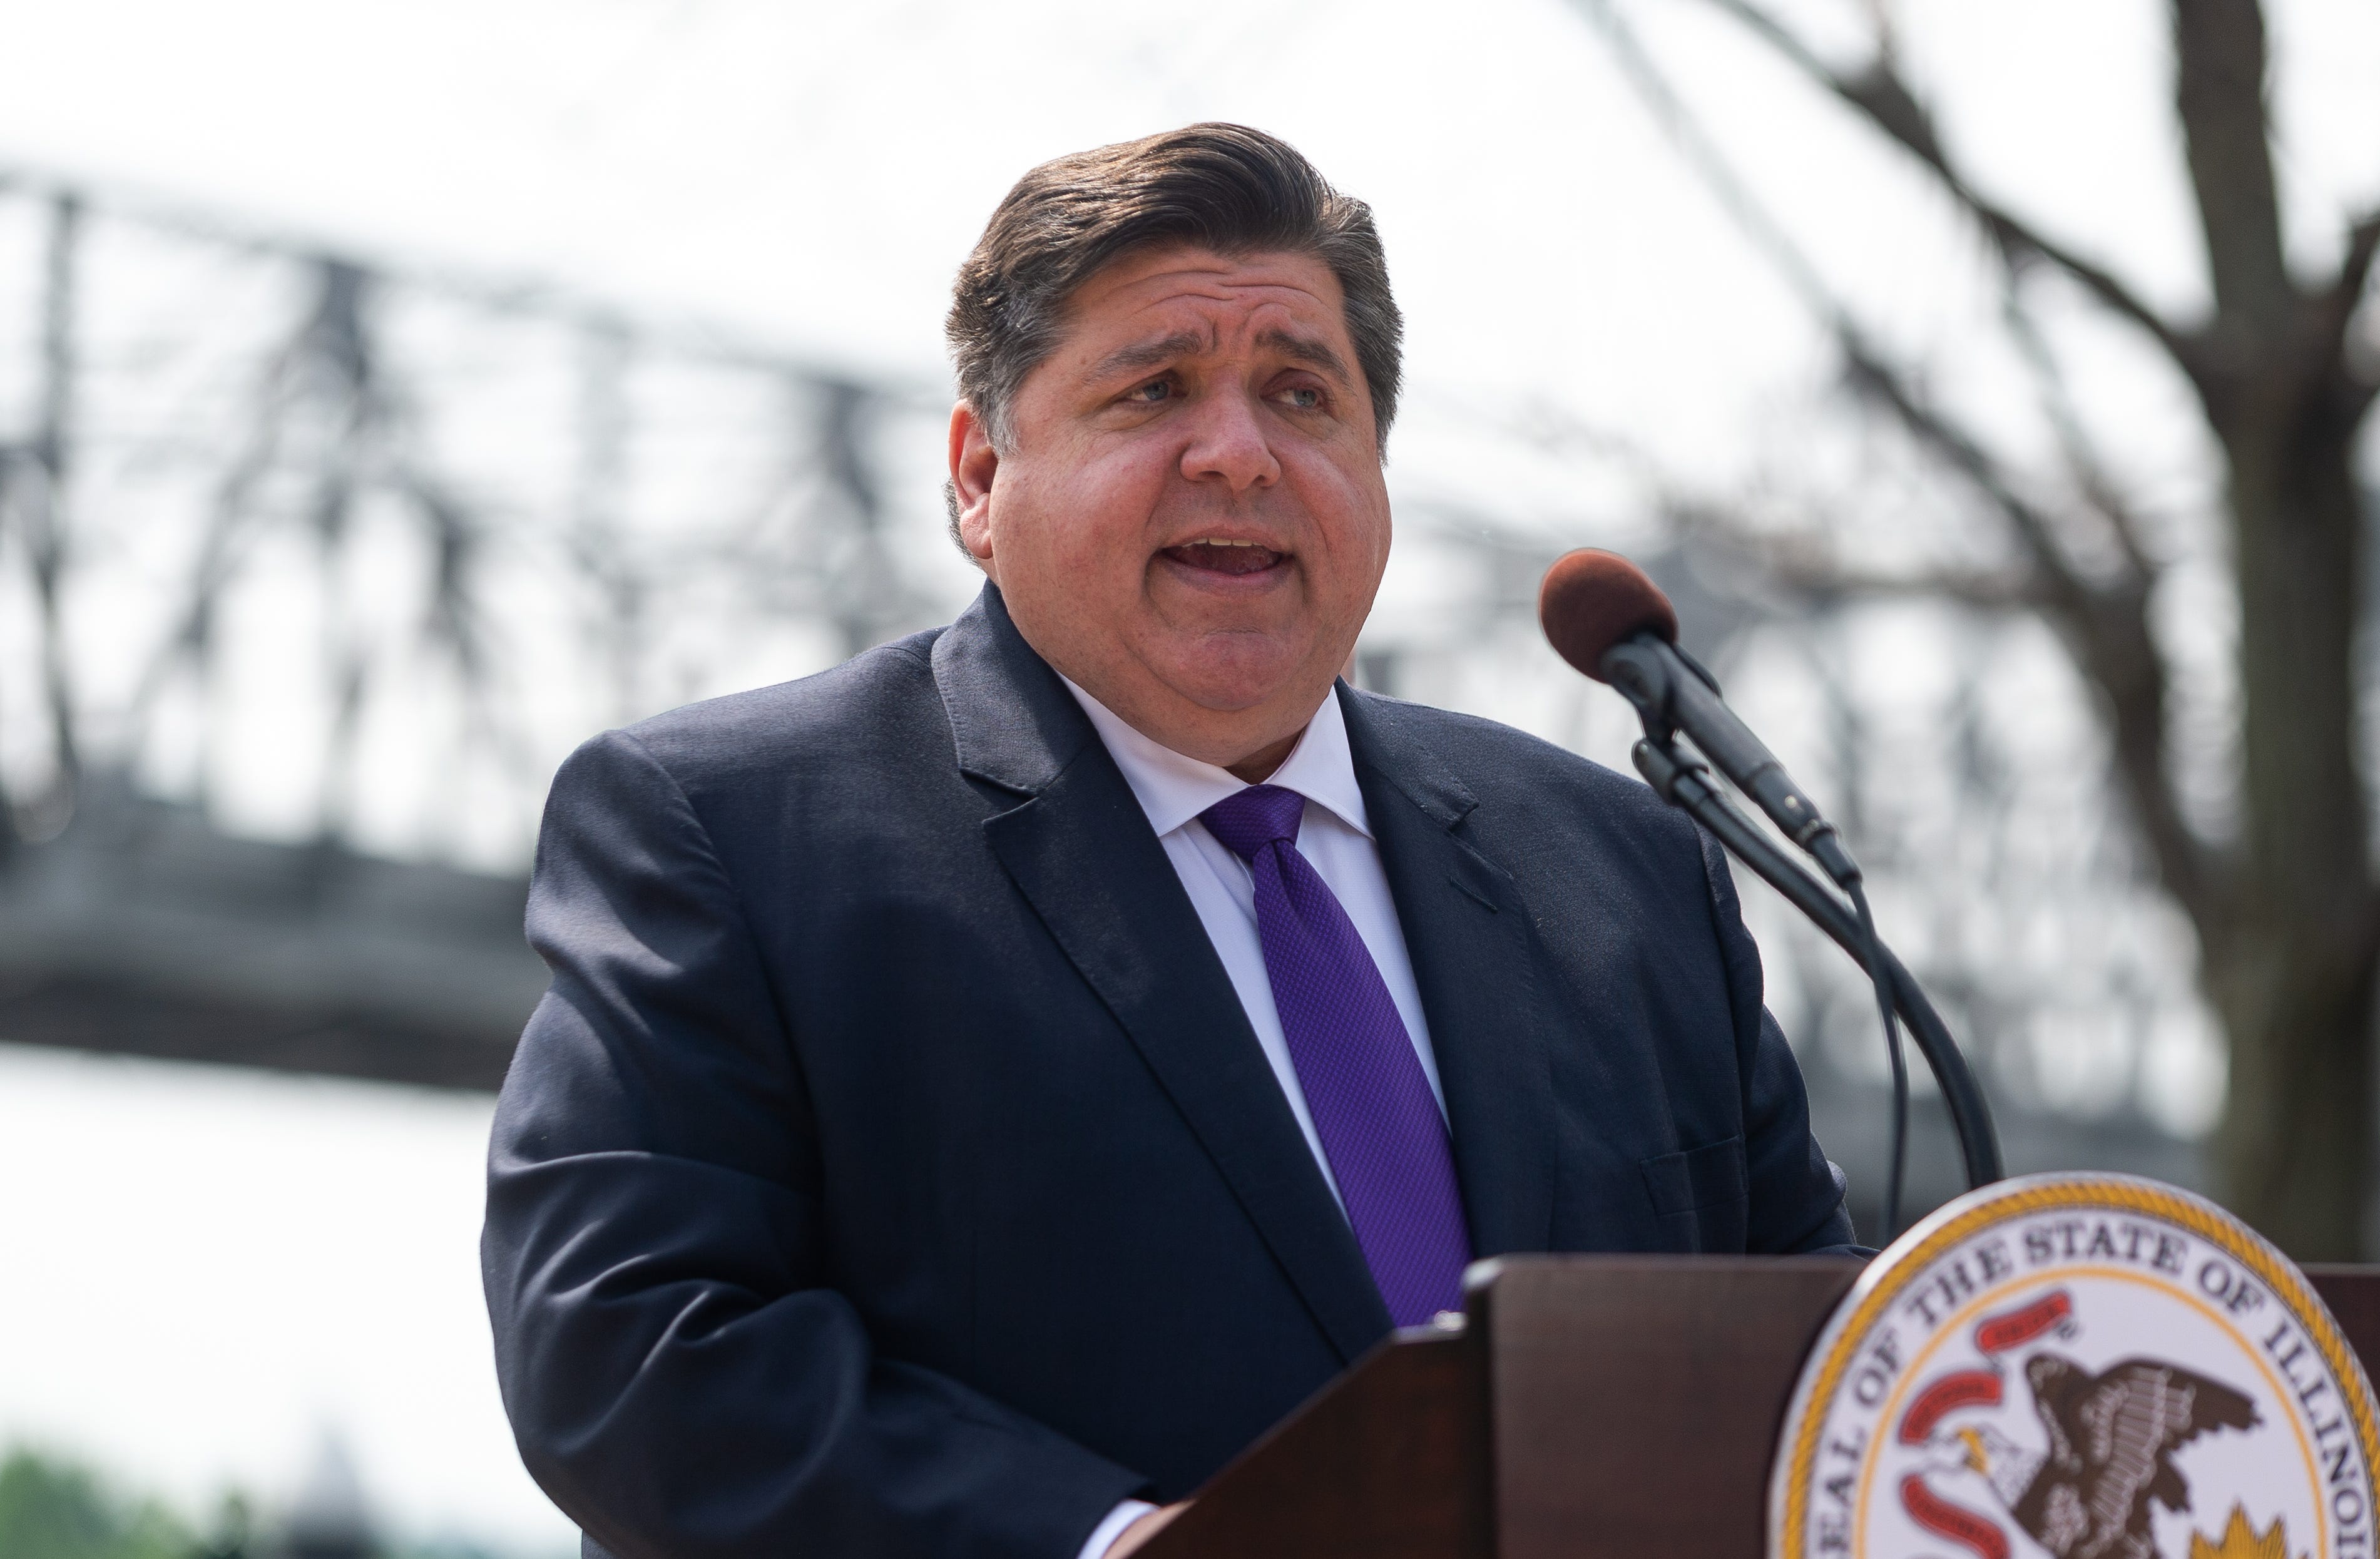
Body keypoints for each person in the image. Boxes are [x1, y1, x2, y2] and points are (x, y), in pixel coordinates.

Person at [482, 123, 1854, 1559]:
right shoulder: (729, 835)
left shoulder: (1626, 870)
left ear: (1375, 470)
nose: (1239, 455)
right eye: (1155, 390)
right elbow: (628, 1346)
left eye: (1300, 394)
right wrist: (1116, 1544)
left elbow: (1820, 1348)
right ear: (976, 476)